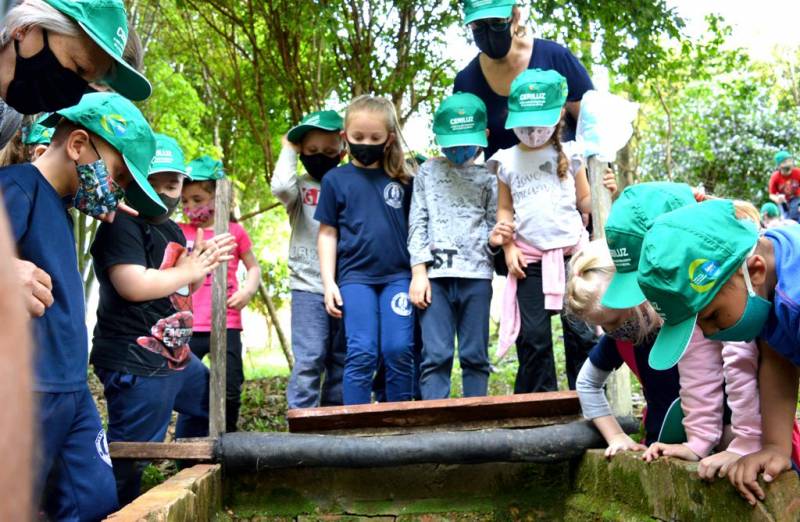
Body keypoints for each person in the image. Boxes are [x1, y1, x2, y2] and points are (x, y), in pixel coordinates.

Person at [0, 91, 164, 520]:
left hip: (73, 393)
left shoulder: (61, 207)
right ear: (76, 145)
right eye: (117, 178)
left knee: (93, 501)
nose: (114, 193)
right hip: (27, 391)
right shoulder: (18, 186)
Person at [91, 134, 235, 504]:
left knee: (208, 402)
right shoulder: (120, 224)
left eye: (172, 184)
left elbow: (184, 285)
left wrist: (201, 262)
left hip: (175, 358)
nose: (164, 192)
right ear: (132, 179)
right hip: (136, 361)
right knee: (134, 451)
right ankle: (114, 508)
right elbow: (133, 285)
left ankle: (187, 474)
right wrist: (188, 271)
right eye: (152, 182)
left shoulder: (170, 229)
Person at [634, 199, 800, 504]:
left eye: (711, 317)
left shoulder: (795, 295)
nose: (710, 334)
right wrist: (775, 448)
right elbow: (778, 360)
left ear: (756, 271)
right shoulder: (765, 280)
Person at [488, 68, 615, 393]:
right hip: (528, 261)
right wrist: (508, 247)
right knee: (534, 338)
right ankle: (542, 404)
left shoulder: (571, 154)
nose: (532, 131)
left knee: (582, 332)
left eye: (539, 122)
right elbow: (505, 210)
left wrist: (606, 190)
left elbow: (585, 201)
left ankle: (585, 398)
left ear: (559, 114)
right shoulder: (506, 161)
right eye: (525, 123)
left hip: (574, 258)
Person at [315, 95, 416, 405]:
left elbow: (418, 227)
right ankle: (355, 430)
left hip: (399, 277)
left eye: (375, 137)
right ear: (345, 137)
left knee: (398, 349)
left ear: (388, 139)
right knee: (361, 351)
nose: (366, 143)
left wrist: (420, 274)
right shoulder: (335, 180)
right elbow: (327, 233)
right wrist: (328, 282)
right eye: (358, 137)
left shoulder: (403, 178)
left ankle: (401, 423)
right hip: (355, 279)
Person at [408, 92, 498, 399]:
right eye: (452, 142)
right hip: (435, 279)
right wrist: (418, 272)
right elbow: (418, 221)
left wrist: (497, 243)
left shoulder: (490, 177)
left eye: (465, 141)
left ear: (483, 136)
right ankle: (435, 429)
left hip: (477, 277)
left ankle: (475, 427)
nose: (459, 149)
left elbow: (492, 224)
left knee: (475, 356)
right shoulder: (428, 172)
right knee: (436, 356)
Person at [567, 240, 677, 454]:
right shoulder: (619, 340)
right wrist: (615, 435)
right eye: (602, 325)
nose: (611, 330)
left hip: (712, 439)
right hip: (657, 446)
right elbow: (587, 383)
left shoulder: (682, 324)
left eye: (615, 320)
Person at [272, 110, 347, 409]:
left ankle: (335, 423)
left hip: (347, 284)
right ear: (302, 151)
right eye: (313, 151)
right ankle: (301, 425)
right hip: (308, 286)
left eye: (330, 151)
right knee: (310, 357)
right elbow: (280, 187)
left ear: (342, 150)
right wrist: (289, 147)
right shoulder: (299, 189)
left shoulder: (346, 183)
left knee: (342, 358)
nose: (321, 157)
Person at [180, 155, 260, 432]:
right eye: (185, 201)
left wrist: (248, 291)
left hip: (226, 322)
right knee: (189, 390)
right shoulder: (178, 232)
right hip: (187, 324)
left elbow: (253, 268)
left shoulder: (235, 231)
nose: (190, 206)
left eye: (197, 199)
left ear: (217, 196)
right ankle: (191, 446)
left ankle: (228, 441)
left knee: (229, 387)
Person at [454, 0, 594, 158]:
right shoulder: (466, 82)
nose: (488, 31)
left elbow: (592, 126)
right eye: (478, 24)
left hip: (565, 176)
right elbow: (466, 151)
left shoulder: (555, 58)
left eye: (497, 22)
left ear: (515, 17)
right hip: (503, 180)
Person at [768, 150, 800, 221]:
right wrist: (777, 199)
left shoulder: (797, 172)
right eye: (785, 162)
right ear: (779, 165)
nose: (789, 164)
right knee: (785, 218)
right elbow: (771, 195)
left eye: (790, 161)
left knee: (795, 214)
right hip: (783, 201)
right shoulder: (775, 177)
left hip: (796, 198)